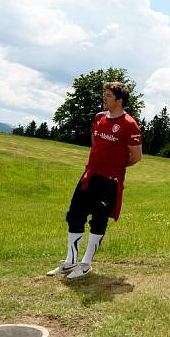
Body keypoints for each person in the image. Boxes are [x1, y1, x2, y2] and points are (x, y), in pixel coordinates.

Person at [47, 81, 143, 279]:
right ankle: (70, 261)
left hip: (110, 180)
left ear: (119, 100)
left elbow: (135, 156)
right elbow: (94, 141)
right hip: (90, 174)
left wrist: (115, 166)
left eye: (108, 96)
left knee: (99, 219)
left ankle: (86, 264)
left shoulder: (130, 125)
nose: (104, 98)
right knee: (74, 214)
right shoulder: (99, 117)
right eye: (104, 95)